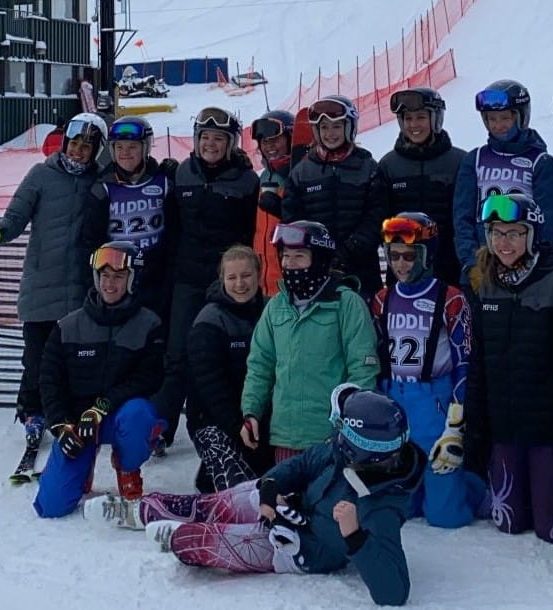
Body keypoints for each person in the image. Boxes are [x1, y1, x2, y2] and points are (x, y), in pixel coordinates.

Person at [87, 385, 425, 607]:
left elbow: (394, 593)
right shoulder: (341, 451)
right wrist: (272, 487)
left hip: (295, 549)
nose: (336, 437)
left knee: (199, 541)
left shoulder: (381, 507)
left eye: (344, 432)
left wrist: (354, 536)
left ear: (361, 447)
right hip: (286, 506)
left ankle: (179, 535)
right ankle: (139, 512)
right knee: (211, 504)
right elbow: (303, 464)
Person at [0, 112, 106, 453]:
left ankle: (67, 410)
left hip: (82, 288)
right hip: (42, 284)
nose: (78, 152)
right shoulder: (41, 175)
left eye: (86, 147)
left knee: (74, 357)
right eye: (74, 144)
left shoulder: (101, 181)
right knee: (37, 359)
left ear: (96, 151)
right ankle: (32, 410)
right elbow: (13, 220)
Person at [464, 193, 553, 543]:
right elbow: (478, 364)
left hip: (547, 430)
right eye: (496, 233)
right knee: (508, 523)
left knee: (552, 530)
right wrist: (476, 430)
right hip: (505, 427)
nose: (504, 243)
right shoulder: (487, 286)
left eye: (514, 233)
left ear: (531, 236)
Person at [33, 241, 167, 518]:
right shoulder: (67, 327)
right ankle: (82, 466)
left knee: (139, 414)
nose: (109, 284)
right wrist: (60, 425)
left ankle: (127, 466)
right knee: (51, 507)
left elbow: (149, 377)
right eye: (104, 275)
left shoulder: (149, 324)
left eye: (118, 276)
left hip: (119, 416)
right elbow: (49, 381)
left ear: (132, 280)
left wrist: (102, 406)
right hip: (78, 424)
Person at [153, 106, 259, 450]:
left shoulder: (246, 180)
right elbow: (171, 228)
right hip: (187, 278)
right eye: (205, 137)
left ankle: (232, 424)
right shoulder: (183, 174)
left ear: (230, 143)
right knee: (177, 355)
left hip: (228, 282)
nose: (211, 144)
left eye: (219, 138)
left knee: (227, 353)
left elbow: (251, 232)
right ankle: (162, 428)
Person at [372, 212, 483, 528]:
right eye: (394, 256)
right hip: (395, 402)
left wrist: (455, 425)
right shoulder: (382, 299)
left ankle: (473, 486)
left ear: (426, 255)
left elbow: (464, 362)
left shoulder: (450, 299)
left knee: (445, 516)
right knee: (403, 510)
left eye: (409, 256)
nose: (401, 264)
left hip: (435, 404)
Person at [240, 221, 380, 463]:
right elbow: (260, 366)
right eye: (286, 256)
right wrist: (251, 412)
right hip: (286, 437)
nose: (289, 264)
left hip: (332, 438)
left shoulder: (346, 304)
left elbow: (363, 370)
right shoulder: (276, 307)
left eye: (299, 256)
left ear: (319, 260)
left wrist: (352, 424)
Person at [453, 79, 553, 287]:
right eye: (491, 119)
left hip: (524, 264)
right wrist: (471, 262)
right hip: (483, 263)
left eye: (505, 118)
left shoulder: (540, 161)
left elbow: (547, 218)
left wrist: (534, 261)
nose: (498, 125)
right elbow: (462, 216)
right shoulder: (475, 159)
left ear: (520, 117)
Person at [281, 95, 387, 298]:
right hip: (316, 267)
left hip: (361, 267)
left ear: (349, 128)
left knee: (360, 313)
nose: (330, 133)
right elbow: (293, 217)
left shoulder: (367, 167)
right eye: (324, 127)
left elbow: (377, 215)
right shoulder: (302, 172)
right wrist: (318, 251)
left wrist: (349, 250)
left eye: (337, 126)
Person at [186, 245, 272, 492]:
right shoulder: (209, 321)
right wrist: (238, 427)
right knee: (241, 492)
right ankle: (212, 470)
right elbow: (211, 388)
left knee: (275, 484)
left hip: (262, 418)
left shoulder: (272, 312)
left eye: (246, 275)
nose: (240, 284)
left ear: (259, 275)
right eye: (232, 277)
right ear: (222, 279)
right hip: (215, 419)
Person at [81, 115, 179, 321]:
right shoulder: (103, 188)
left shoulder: (164, 182)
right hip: (118, 275)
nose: (125, 153)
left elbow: (175, 231)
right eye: (119, 147)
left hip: (156, 276)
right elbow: (91, 239)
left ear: (145, 148)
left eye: (132, 147)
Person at [376, 88, 466, 287]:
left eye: (421, 117)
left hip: (450, 268)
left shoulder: (459, 162)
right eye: (408, 118)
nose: (414, 125)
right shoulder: (389, 165)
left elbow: (466, 218)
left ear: (436, 119)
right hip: (404, 268)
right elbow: (379, 218)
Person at [252, 110, 296, 296]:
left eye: (275, 139)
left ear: (291, 138)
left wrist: (282, 209)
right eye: (264, 141)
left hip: (290, 279)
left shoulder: (299, 174)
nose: (269, 146)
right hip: (264, 282)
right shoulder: (264, 176)